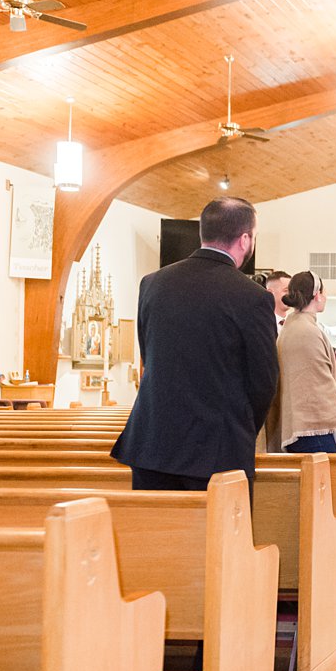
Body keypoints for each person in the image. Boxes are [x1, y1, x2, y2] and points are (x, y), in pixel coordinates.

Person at [112, 197, 278, 491]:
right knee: (218, 537)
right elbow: (263, 382)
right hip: (218, 451)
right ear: (244, 239)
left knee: (155, 535)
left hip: (152, 445)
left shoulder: (152, 284)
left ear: (204, 233)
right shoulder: (252, 297)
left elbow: (149, 356)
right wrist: (239, 429)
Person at [272, 271, 336, 454]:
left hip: (308, 428)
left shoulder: (295, 326)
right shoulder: (306, 331)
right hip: (313, 429)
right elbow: (319, 383)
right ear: (317, 295)